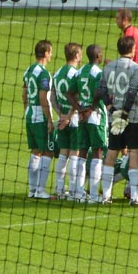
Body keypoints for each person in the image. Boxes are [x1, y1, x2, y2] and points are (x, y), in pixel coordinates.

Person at [95, 36, 138, 205]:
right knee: (134, 154)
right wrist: (125, 113)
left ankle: (106, 196)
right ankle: (135, 197)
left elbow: (101, 90)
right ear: (133, 49)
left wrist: (110, 108)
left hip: (113, 117)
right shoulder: (137, 68)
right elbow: (132, 92)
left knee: (112, 153)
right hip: (133, 117)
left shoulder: (108, 67)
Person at [51, 43, 84, 200]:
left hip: (61, 120)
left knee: (63, 154)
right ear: (76, 55)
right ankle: (73, 190)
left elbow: (52, 98)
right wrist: (69, 117)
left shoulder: (56, 74)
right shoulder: (76, 74)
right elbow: (76, 99)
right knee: (75, 155)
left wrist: (61, 115)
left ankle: (59, 188)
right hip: (75, 120)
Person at [23, 40, 55, 199]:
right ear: (46, 53)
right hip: (39, 116)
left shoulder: (28, 70)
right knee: (48, 151)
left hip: (29, 114)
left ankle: (32, 190)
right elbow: (43, 97)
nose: (51, 55)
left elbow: (24, 94)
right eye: (50, 52)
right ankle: (40, 190)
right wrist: (49, 119)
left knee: (35, 151)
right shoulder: (43, 73)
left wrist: (27, 110)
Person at [76, 45, 107, 203]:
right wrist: (91, 108)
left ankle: (79, 193)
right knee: (97, 152)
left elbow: (69, 92)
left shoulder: (80, 71)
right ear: (98, 55)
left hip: (82, 117)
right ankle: (94, 196)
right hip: (95, 116)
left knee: (81, 152)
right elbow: (99, 92)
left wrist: (79, 109)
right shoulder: (98, 72)